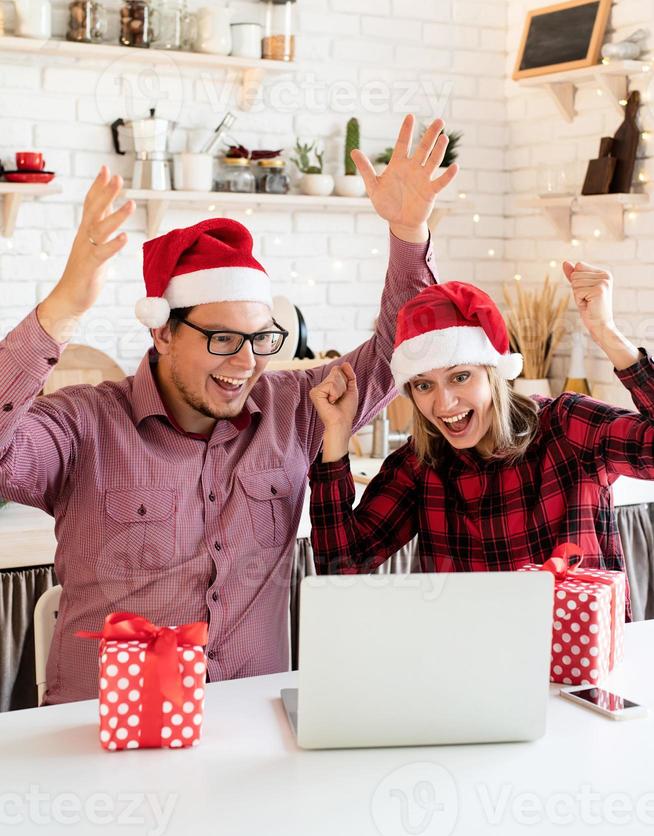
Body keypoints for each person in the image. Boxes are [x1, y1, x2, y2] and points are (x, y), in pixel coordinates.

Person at [0, 115, 458, 704]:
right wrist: (61, 309)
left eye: (261, 339)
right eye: (222, 339)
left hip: (248, 733)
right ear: (163, 333)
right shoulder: (84, 424)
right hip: (102, 737)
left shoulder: (294, 409)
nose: (247, 362)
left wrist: (408, 231)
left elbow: (403, 353)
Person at [309, 263, 653, 617]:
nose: (443, 404)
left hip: (574, 659)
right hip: (465, 662)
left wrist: (607, 333)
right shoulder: (418, 466)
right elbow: (340, 568)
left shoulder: (567, 427)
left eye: (460, 377)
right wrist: (337, 433)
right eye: (424, 384)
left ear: (493, 373)